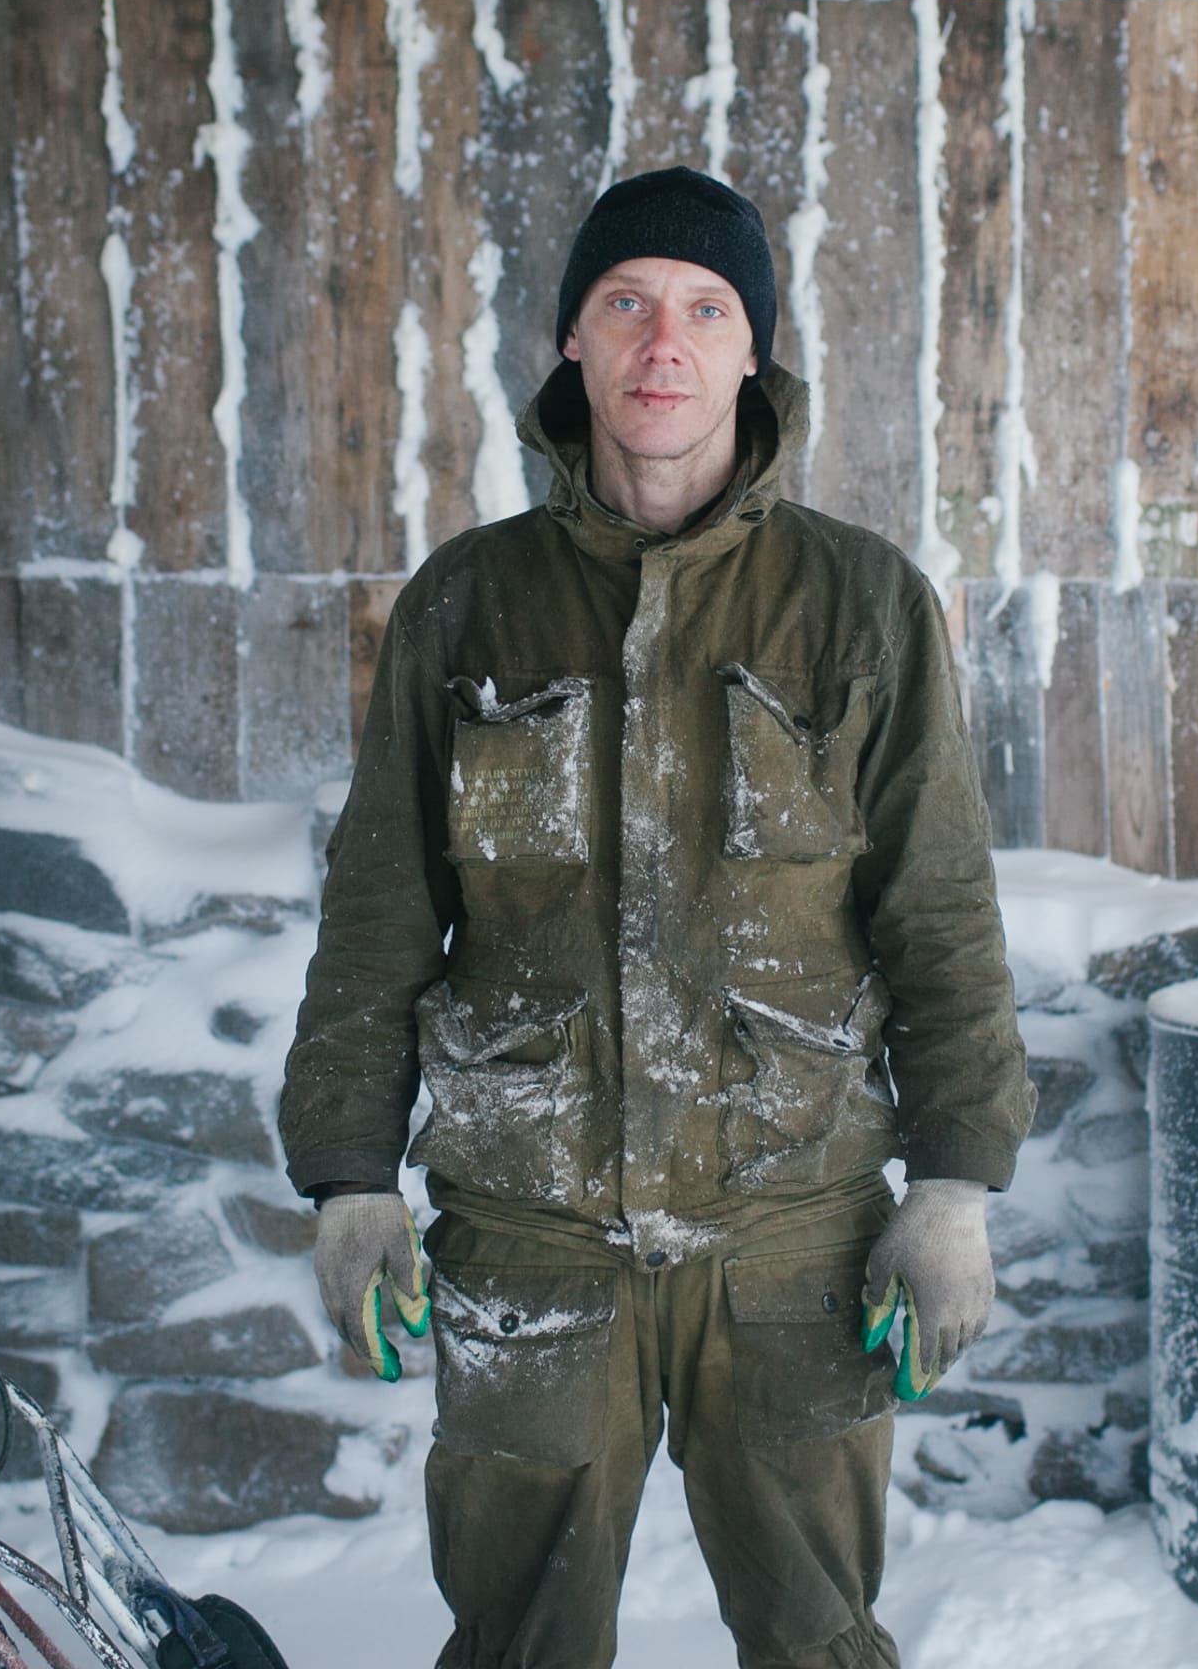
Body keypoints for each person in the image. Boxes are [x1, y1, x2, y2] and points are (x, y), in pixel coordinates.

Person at [278, 165, 1034, 1669]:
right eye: (625, 303)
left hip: (795, 1235)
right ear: (574, 340)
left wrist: (953, 1189)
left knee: (823, 1642)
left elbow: (939, 910)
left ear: (755, 352)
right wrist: (351, 1180)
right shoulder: (466, 605)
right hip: (531, 1232)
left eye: (704, 308)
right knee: (518, 1647)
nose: (662, 342)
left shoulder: (863, 605)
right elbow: (377, 916)